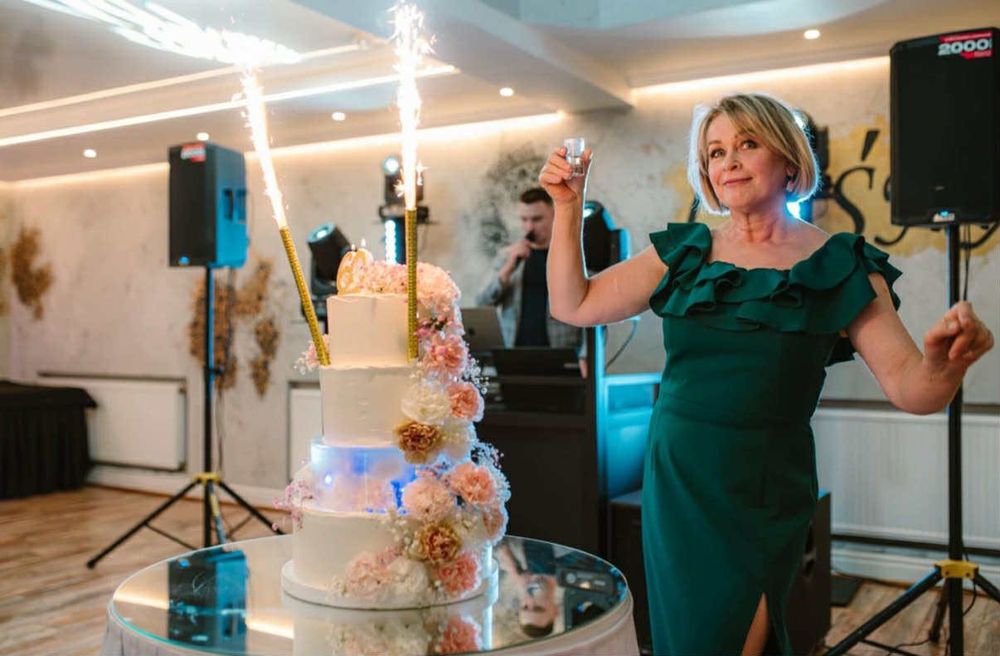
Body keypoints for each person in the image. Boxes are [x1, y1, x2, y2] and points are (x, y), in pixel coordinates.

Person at [540, 93, 994, 655]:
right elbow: (574, 303)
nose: (728, 161)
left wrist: (946, 364)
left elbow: (912, 388)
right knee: (686, 639)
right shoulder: (684, 253)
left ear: (788, 159)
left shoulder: (840, 264)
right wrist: (567, 208)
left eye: (747, 144)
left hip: (764, 486)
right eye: (715, 151)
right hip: (680, 478)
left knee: (735, 638)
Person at [476, 187, 587, 375]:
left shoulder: (572, 256)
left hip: (562, 358)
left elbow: (590, 308)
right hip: (515, 357)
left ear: (554, 215)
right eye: (524, 220)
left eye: (537, 219)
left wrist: (586, 356)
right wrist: (508, 268)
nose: (529, 227)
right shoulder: (508, 257)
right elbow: (482, 302)